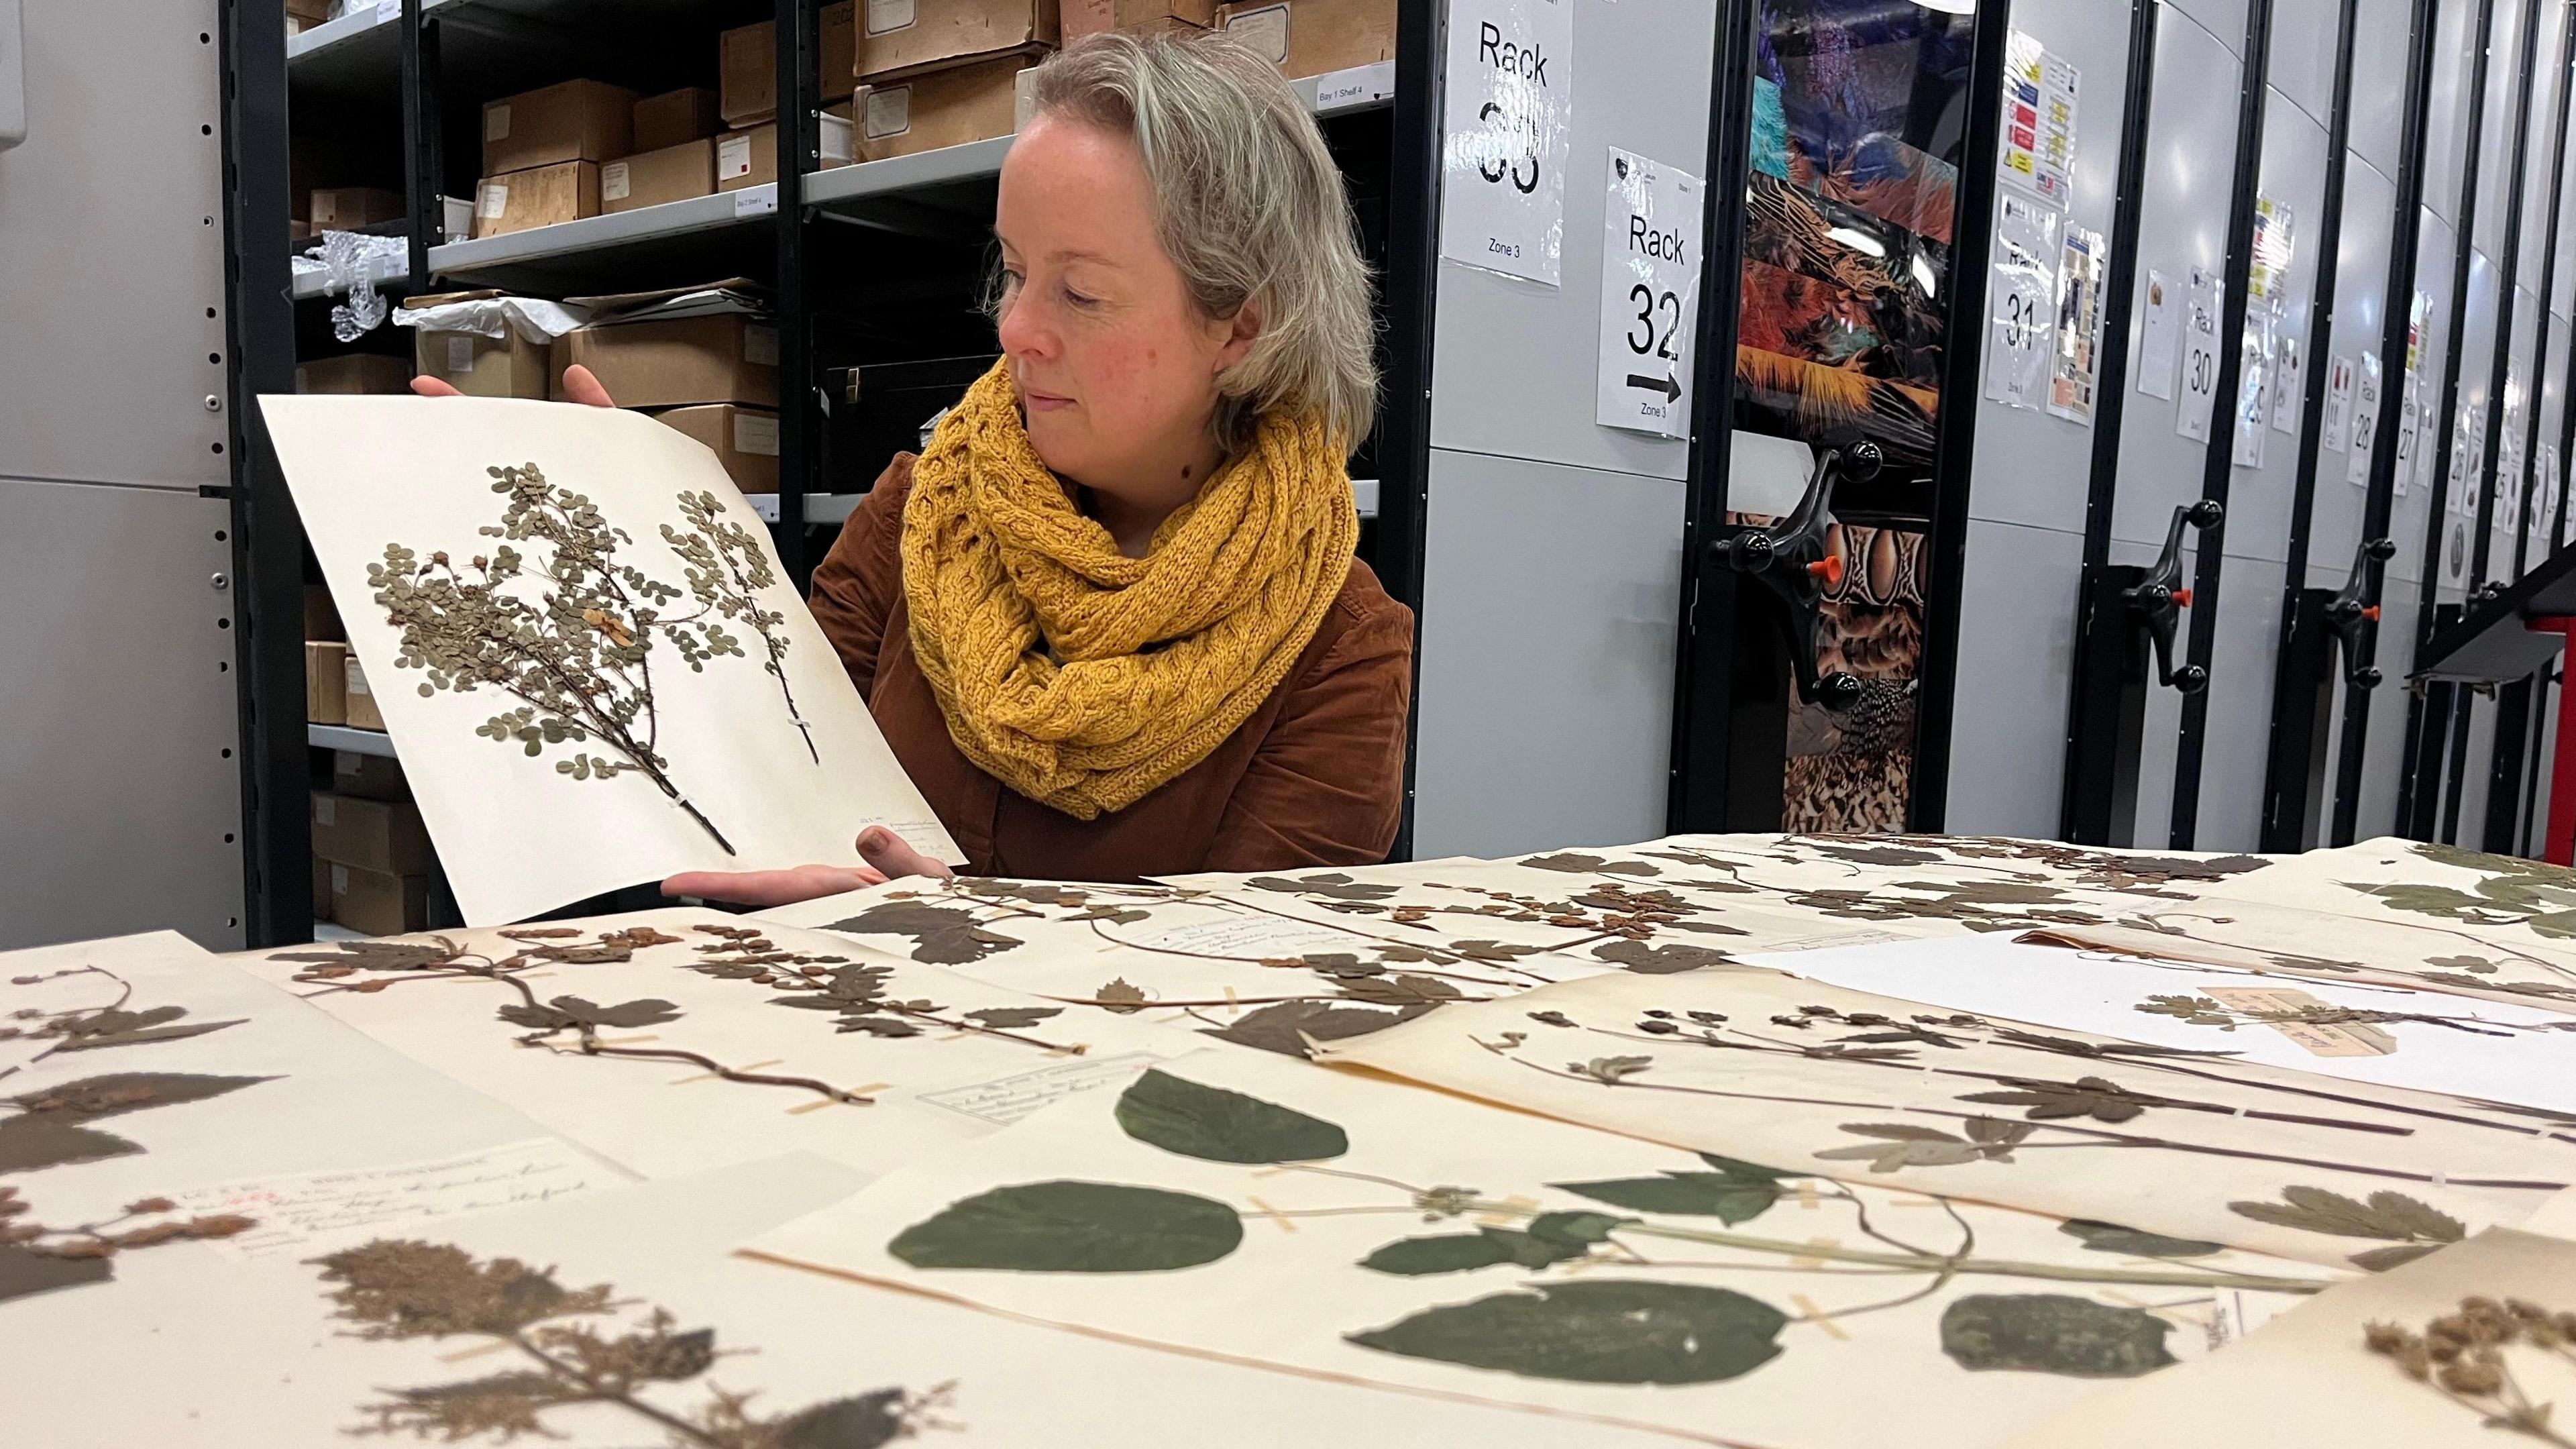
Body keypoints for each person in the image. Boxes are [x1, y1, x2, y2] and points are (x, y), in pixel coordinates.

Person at [416, 32, 1412, 902]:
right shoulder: (922, 514)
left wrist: (948, 927)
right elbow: (766, 768)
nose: (1015, 328)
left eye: (1082, 293)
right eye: (1016, 272)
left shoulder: (1339, 653)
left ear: (1241, 324)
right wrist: (621, 568)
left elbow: (1244, 988)